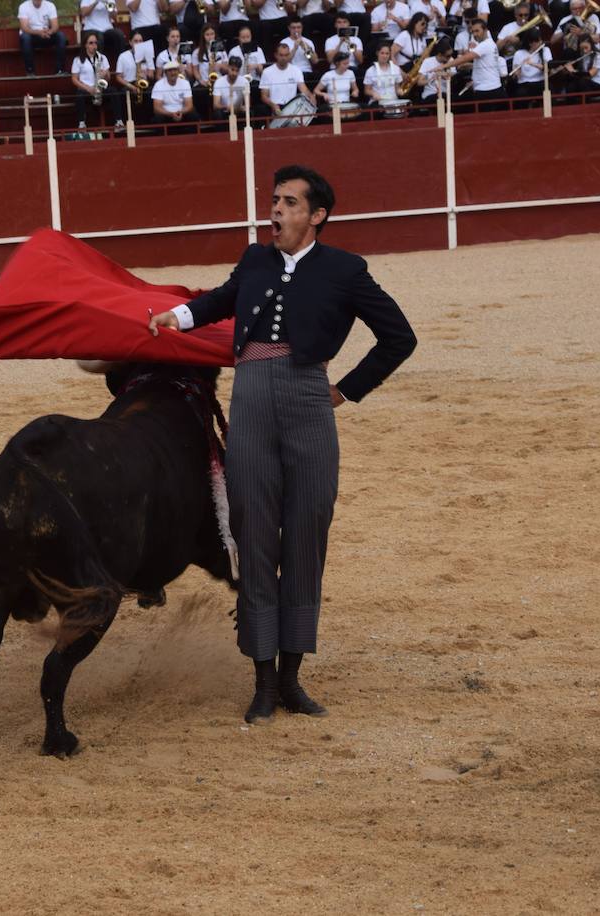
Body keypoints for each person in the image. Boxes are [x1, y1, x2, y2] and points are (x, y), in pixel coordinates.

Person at [148, 164, 416, 724]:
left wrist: (346, 391)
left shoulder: (344, 270)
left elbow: (399, 337)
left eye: (290, 202)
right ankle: (263, 682)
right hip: (250, 401)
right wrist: (176, 316)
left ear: (317, 216)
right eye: (274, 200)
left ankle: (291, 678)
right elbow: (220, 300)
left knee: (307, 531)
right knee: (253, 529)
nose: (276, 210)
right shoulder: (255, 259)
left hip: (309, 401)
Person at [440, 18, 505, 107]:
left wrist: (444, 66)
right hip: (490, 89)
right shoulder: (489, 44)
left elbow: (464, 58)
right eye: (473, 32)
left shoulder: (485, 45)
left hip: (488, 92)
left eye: (477, 31)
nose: (475, 34)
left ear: (485, 30)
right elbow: (485, 65)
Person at [71, 31, 118, 129]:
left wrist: (105, 73)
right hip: (86, 90)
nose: (94, 45)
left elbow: (108, 79)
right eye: (91, 43)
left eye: (95, 43)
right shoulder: (78, 60)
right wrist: (88, 89)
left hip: (100, 88)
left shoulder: (102, 58)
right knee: (79, 94)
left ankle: (118, 121)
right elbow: (74, 79)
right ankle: (81, 123)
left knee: (113, 91)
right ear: (85, 45)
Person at [259, 41, 308, 118]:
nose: (284, 58)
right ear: (276, 55)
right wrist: (273, 105)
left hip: (293, 108)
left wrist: (312, 99)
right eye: (281, 55)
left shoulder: (296, 70)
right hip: (275, 108)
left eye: (286, 55)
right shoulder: (267, 72)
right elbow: (264, 96)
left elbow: (304, 90)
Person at [79, 0, 125, 68]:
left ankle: (121, 66)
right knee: (98, 38)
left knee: (119, 35)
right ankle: (98, 69)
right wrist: (96, 2)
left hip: (107, 28)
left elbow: (114, 16)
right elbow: (84, 13)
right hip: (91, 28)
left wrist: (106, 3)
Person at [315, 51, 362, 116]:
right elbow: (316, 90)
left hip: (346, 104)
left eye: (348, 63)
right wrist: (323, 94)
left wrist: (355, 92)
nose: (347, 66)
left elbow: (355, 89)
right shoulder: (328, 75)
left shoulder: (350, 73)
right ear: (337, 63)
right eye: (344, 64)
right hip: (332, 105)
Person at [150, 57, 193, 128]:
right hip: (166, 114)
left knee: (193, 115)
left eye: (175, 70)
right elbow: (157, 108)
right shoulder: (158, 85)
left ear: (178, 71)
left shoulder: (185, 83)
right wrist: (171, 114)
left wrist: (180, 112)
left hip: (181, 113)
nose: (173, 73)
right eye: (170, 70)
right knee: (158, 119)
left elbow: (189, 105)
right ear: (165, 73)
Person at [509, 26, 549, 100]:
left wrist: (532, 63)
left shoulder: (545, 50)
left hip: (540, 81)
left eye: (540, 40)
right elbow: (517, 75)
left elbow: (548, 68)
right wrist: (517, 72)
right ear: (530, 43)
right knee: (519, 94)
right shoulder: (519, 53)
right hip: (524, 83)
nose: (540, 43)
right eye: (537, 41)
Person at [362, 39, 403, 105]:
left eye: (387, 54)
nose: (384, 56)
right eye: (382, 53)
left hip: (393, 101)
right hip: (378, 102)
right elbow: (366, 90)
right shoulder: (370, 70)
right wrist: (373, 93)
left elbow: (397, 88)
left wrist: (399, 91)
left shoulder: (396, 69)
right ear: (377, 53)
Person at [213, 53, 251, 120]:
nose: (234, 73)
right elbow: (216, 105)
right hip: (225, 110)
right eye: (232, 70)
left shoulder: (244, 82)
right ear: (228, 67)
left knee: (249, 112)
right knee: (217, 114)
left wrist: (243, 107)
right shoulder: (219, 82)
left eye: (237, 71)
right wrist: (227, 107)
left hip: (239, 111)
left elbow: (248, 103)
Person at [417, 36, 453, 103]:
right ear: (440, 54)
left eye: (451, 55)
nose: (450, 58)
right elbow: (419, 82)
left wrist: (443, 73)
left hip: (446, 94)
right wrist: (432, 78)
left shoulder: (451, 60)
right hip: (430, 94)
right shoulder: (427, 61)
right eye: (448, 56)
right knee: (438, 98)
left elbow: (452, 77)